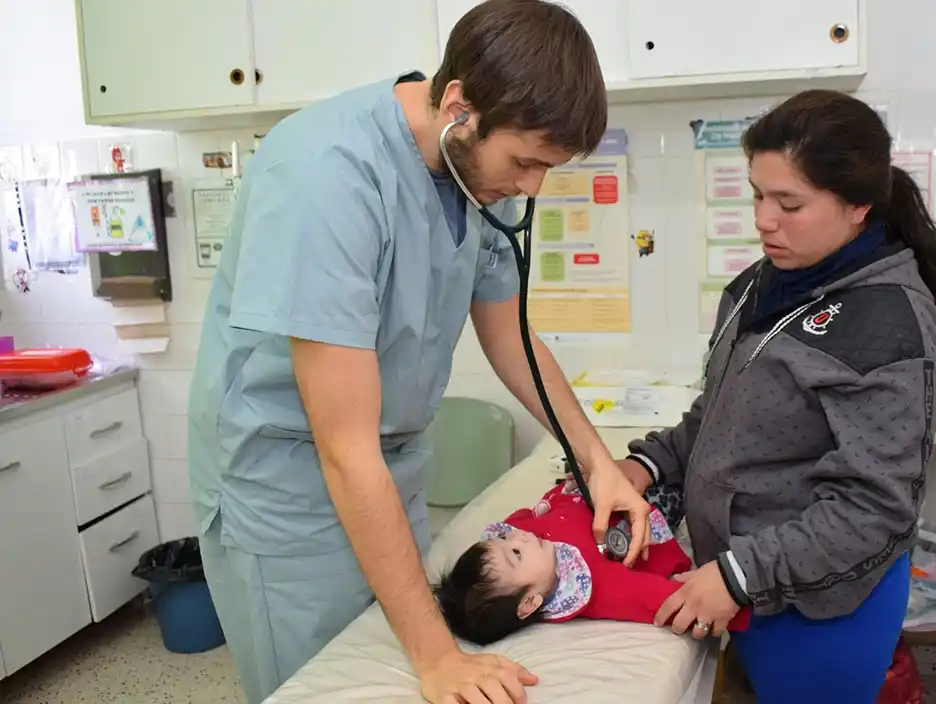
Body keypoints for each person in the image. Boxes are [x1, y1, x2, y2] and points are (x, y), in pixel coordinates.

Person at [186, 2, 653, 703]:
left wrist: (597, 462)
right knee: (327, 685)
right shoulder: (326, 175)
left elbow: (512, 340)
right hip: (290, 488)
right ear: (460, 109)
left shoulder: (471, 176)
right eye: (526, 162)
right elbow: (343, 447)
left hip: (387, 470)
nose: (533, 187)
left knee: (388, 659)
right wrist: (438, 657)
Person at [614, 90, 936, 703]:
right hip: (742, 581)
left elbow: (874, 508)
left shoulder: (890, 326)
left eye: (789, 203)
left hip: (818, 610)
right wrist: (647, 464)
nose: (763, 220)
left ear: (857, 206)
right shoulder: (759, 285)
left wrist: (742, 575)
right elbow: (722, 417)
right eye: (757, 194)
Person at [434, 478, 750, 645]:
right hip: (643, 509)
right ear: (529, 603)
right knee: (688, 479)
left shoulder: (527, 541)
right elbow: (649, 596)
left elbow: (532, 514)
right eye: (515, 553)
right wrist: (732, 601)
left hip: (604, 488)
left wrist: (573, 485)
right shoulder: (590, 583)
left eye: (503, 539)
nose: (519, 538)